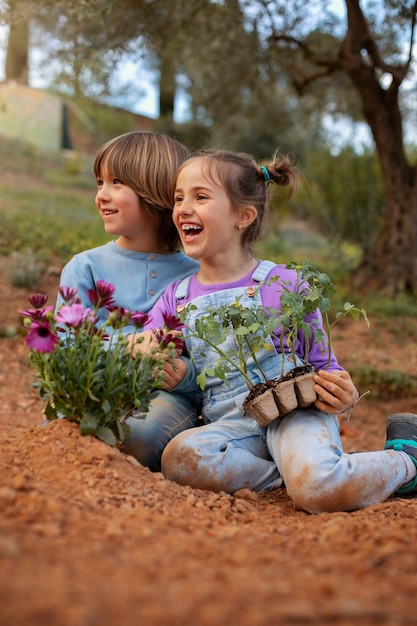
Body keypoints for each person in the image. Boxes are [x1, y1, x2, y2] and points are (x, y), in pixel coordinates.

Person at [139, 148, 417, 514]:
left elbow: (323, 364)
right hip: (233, 428)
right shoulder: (173, 299)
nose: (182, 208)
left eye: (200, 197)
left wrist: (341, 392)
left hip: (297, 413)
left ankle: (406, 461)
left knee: (319, 492)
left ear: (243, 215)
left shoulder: (284, 283)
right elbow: (150, 348)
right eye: (178, 198)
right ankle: (302, 476)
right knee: (180, 458)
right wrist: (151, 357)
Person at [55, 131, 201, 471]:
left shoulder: (198, 274)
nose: (101, 195)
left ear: (156, 191)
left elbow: (209, 361)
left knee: (139, 432)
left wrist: (184, 376)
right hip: (91, 395)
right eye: (99, 182)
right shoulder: (85, 268)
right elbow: (66, 352)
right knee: (72, 431)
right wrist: (128, 347)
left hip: (165, 403)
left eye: (117, 182)